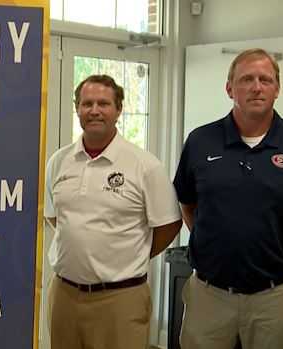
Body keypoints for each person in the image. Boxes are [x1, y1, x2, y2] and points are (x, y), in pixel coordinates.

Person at [174, 48, 283, 349]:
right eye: (246, 79)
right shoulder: (200, 141)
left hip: (275, 299)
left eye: (265, 79)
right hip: (209, 295)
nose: (256, 87)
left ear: (277, 89)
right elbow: (187, 203)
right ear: (229, 88)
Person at [44, 74, 182, 349]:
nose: (94, 110)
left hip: (121, 298)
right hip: (64, 295)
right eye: (87, 103)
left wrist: (131, 253)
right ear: (77, 109)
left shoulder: (144, 165)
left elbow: (168, 224)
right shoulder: (59, 162)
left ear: (118, 110)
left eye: (104, 104)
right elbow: (54, 216)